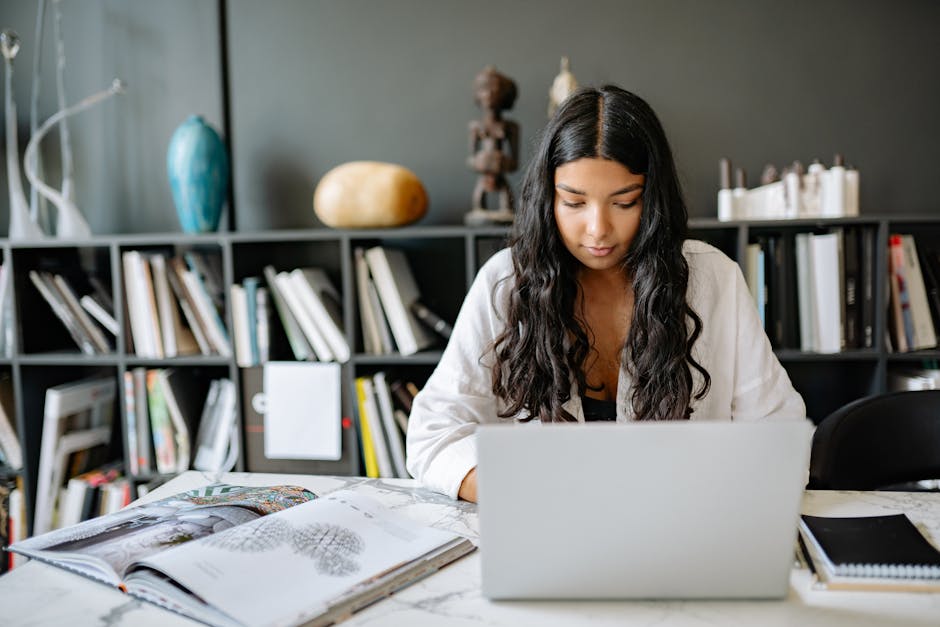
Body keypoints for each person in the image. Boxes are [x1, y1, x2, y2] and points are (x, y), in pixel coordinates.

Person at [406, 85, 806, 502]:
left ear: (652, 199)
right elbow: (433, 436)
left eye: (625, 202)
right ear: (548, 199)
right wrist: (522, 493)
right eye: (574, 203)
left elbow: (780, 435)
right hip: (546, 535)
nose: (598, 229)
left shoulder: (715, 278)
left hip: (683, 534)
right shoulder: (505, 281)